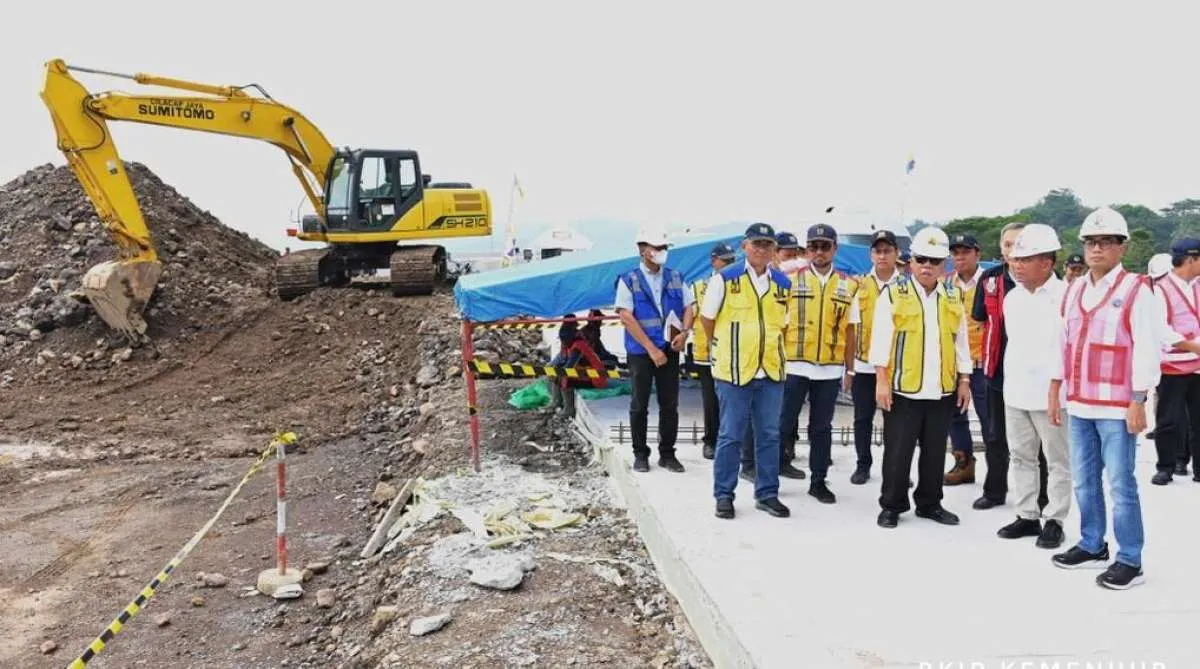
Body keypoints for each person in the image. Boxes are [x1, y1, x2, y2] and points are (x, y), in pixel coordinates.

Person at [1047, 207, 1189, 589]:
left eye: (1106, 241)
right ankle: (1092, 544)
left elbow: (1145, 346)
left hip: (1116, 405)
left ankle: (1130, 558)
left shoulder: (1136, 290)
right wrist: (1056, 387)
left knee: (1121, 485)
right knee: (1084, 481)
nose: (1096, 249)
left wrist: (1139, 399)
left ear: (1121, 247)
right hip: (1080, 401)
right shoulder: (1075, 288)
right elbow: (1064, 341)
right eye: (1091, 242)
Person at [870, 227, 973, 529]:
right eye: (921, 259)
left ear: (945, 266)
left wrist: (964, 380)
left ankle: (930, 503)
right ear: (911, 262)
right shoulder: (893, 294)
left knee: (934, 451)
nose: (927, 266)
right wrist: (881, 380)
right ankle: (892, 504)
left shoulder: (953, 296)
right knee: (897, 452)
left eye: (935, 261)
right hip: (903, 387)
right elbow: (880, 340)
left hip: (941, 388)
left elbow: (961, 341)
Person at [703, 223, 792, 520]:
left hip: (770, 371)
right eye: (757, 244)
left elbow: (784, 324)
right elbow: (707, 320)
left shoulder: (782, 283)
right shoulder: (725, 280)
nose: (762, 249)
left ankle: (767, 494)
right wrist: (727, 346)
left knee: (769, 435)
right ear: (744, 246)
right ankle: (724, 495)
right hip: (734, 372)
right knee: (730, 435)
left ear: (774, 250)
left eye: (768, 245)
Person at [995, 224, 1072, 549]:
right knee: (1021, 456)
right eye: (1014, 259)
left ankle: (1055, 518)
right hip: (1016, 391)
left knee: (1057, 460)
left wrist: (1057, 389)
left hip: (1052, 394)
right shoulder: (1012, 298)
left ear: (1047, 262)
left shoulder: (1066, 296)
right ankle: (1027, 514)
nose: (1016, 265)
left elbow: (1068, 349)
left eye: (1025, 259)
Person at [973, 222, 1049, 511]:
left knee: (1040, 439)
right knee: (995, 435)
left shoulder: (1044, 281)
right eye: (1008, 245)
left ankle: (1042, 496)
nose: (1013, 250)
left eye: (1020, 244)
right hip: (997, 371)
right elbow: (979, 319)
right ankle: (994, 490)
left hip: (1035, 374)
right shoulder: (990, 279)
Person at [781, 223, 859, 502]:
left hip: (829, 368)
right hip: (793, 364)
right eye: (813, 246)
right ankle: (771, 476)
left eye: (825, 246)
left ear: (835, 249)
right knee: (782, 423)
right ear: (806, 249)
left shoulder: (849, 285)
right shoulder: (790, 279)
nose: (819, 251)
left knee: (821, 428)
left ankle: (818, 481)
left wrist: (849, 369)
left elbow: (851, 330)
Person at [615, 226, 695, 474]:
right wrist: (651, 349)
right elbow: (626, 317)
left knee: (669, 404)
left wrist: (684, 333)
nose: (661, 252)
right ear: (642, 250)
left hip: (670, 349)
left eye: (664, 248)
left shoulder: (676, 277)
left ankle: (667, 454)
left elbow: (689, 307)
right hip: (641, 352)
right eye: (657, 248)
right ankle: (640, 454)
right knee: (639, 404)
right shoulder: (628, 280)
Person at [846, 229, 904, 484]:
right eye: (878, 251)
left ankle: (895, 467)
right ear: (871, 255)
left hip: (896, 367)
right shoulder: (858, 285)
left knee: (896, 422)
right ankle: (862, 463)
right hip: (864, 364)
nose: (882, 255)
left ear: (896, 254)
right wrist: (848, 369)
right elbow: (850, 328)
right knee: (862, 418)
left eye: (887, 250)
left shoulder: (906, 286)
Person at [1149, 240, 1200, 485]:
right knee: (1169, 419)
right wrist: (1193, 346)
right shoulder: (1161, 289)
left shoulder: (1199, 285)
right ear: (1190, 259)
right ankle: (1166, 467)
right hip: (1173, 364)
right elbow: (1162, 330)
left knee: (1198, 419)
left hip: (1199, 364)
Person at [944, 233, 990, 486]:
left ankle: (996, 473)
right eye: (956, 253)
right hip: (954, 363)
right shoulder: (945, 284)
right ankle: (964, 463)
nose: (959, 257)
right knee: (955, 415)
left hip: (983, 362)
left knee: (988, 418)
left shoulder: (989, 283)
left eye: (965, 252)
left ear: (977, 254)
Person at [692, 243, 738, 460]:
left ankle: (731, 440)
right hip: (707, 353)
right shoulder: (698, 286)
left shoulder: (738, 285)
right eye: (725, 261)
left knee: (733, 400)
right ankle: (710, 440)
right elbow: (691, 316)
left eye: (731, 261)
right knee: (711, 401)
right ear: (713, 261)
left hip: (734, 352)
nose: (729, 265)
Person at [548, 313, 612, 419]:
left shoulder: (579, 346)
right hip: (585, 373)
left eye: (564, 341)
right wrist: (552, 368)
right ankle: (556, 403)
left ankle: (569, 410)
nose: (563, 343)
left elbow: (569, 367)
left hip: (596, 378)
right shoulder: (570, 343)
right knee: (557, 374)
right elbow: (562, 358)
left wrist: (556, 370)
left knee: (564, 377)